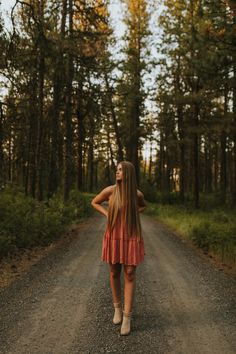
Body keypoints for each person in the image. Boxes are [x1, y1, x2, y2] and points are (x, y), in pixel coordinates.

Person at [91, 161, 146, 335]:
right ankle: (117, 308)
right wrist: (108, 214)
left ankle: (127, 317)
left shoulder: (136, 194)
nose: (117, 172)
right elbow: (95, 202)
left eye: (121, 170)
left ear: (128, 173)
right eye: (117, 170)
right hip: (114, 234)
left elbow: (143, 205)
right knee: (114, 272)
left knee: (129, 273)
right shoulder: (110, 191)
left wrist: (133, 214)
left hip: (131, 235)